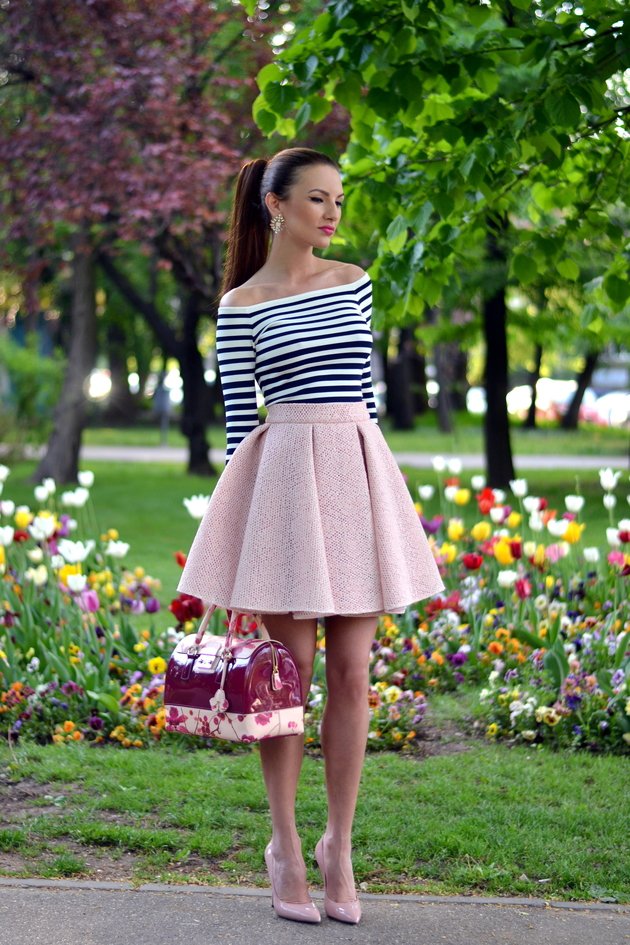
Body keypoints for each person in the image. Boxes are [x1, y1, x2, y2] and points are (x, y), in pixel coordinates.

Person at [177, 147, 444, 924]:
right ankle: (286, 846)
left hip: (354, 467)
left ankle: (340, 845)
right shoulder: (241, 303)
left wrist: (370, 481)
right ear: (276, 206)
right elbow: (236, 430)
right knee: (286, 674)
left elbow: (359, 393)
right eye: (318, 199)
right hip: (282, 484)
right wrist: (236, 558)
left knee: (354, 670)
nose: (332, 212)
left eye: (338, 199)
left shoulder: (353, 282)